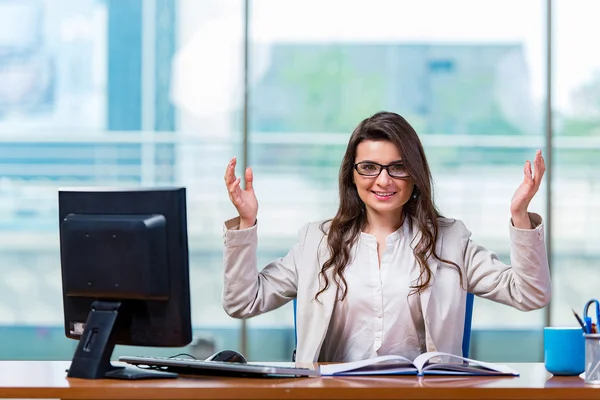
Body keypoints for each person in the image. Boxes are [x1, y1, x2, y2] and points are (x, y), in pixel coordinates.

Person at [222, 111, 551, 363]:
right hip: (333, 396)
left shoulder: (451, 240)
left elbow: (530, 294)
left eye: (398, 167)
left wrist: (520, 215)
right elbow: (242, 301)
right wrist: (246, 221)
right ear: (352, 175)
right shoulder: (316, 242)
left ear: (415, 175)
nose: (383, 180)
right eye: (369, 167)